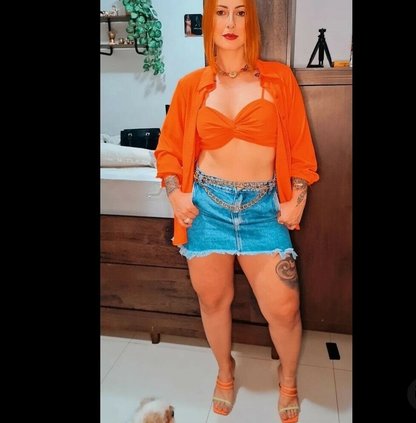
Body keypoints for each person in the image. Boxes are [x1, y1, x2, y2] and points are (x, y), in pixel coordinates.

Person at [155, 0, 319, 422]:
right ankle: (225, 372)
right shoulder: (191, 85)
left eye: (240, 12)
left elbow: (301, 150)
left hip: (263, 209)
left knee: (285, 308)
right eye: (222, 11)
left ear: (251, 22)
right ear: (210, 20)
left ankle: (288, 378)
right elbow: (168, 150)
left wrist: (297, 197)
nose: (230, 22)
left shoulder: (279, 79)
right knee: (213, 301)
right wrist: (175, 195)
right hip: (207, 208)